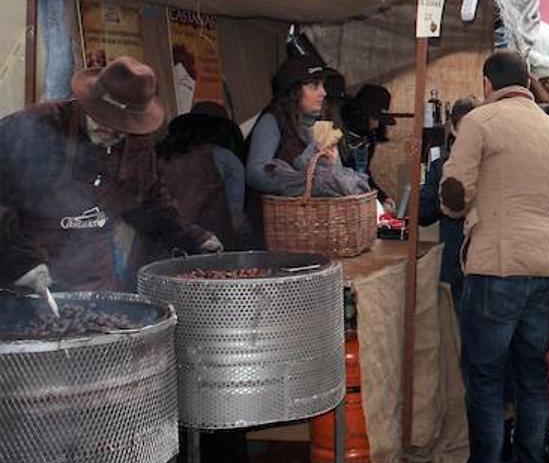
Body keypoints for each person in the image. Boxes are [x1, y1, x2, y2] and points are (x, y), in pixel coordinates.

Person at [440, 50, 549, 463]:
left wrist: (455, 204)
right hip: (547, 263)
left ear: (486, 83)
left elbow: (454, 192)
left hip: (496, 263)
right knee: (532, 373)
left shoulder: (481, 120)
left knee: (485, 375)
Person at [0, 56, 220, 292]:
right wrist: (17, 260)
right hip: (25, 286)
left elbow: (148, 203)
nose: (109, 127)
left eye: (120, 125)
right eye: (101, 116)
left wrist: (188, 237)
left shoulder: (137, 146)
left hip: (95, 282)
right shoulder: (38, 126)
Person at [246, 56, 369, 202]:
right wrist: (301, 184)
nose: (323, 92)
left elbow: (334, 178)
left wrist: (334, 168)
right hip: (279, 218)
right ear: (294, 90)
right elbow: (255, 174)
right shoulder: (272, 121)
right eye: (314, 85)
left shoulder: (323, 126)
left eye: (323, 85)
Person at [157, 101, 249, 251]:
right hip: (209, 248)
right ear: (222, 131)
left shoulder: (160, 156)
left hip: (159, 246)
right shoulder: (226, 159)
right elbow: (236, 217)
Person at [420, 97, 478, 306]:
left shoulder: (493, 166)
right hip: (454, 264)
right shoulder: (440, 166)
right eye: (467, 129)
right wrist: (447, 200)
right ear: (453, 129)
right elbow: (422, 213)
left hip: (484, 264)